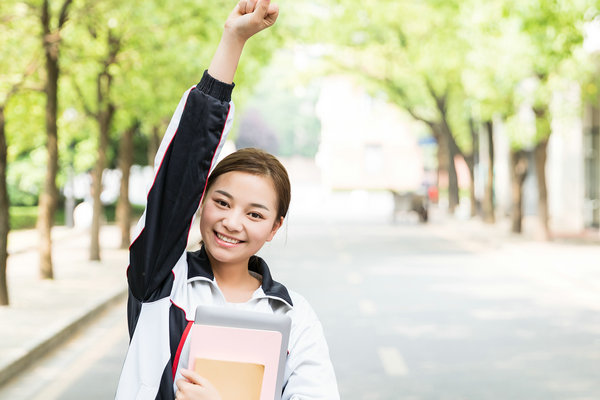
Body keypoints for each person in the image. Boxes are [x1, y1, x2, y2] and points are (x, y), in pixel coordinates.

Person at [114, 1, 340, 399]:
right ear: (199, 203)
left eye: (255, 213)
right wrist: (233, 39)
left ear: (275, 228)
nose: (232, 222)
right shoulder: (162, 281)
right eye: (221, 202)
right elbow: (182, 167)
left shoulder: (292, 317)